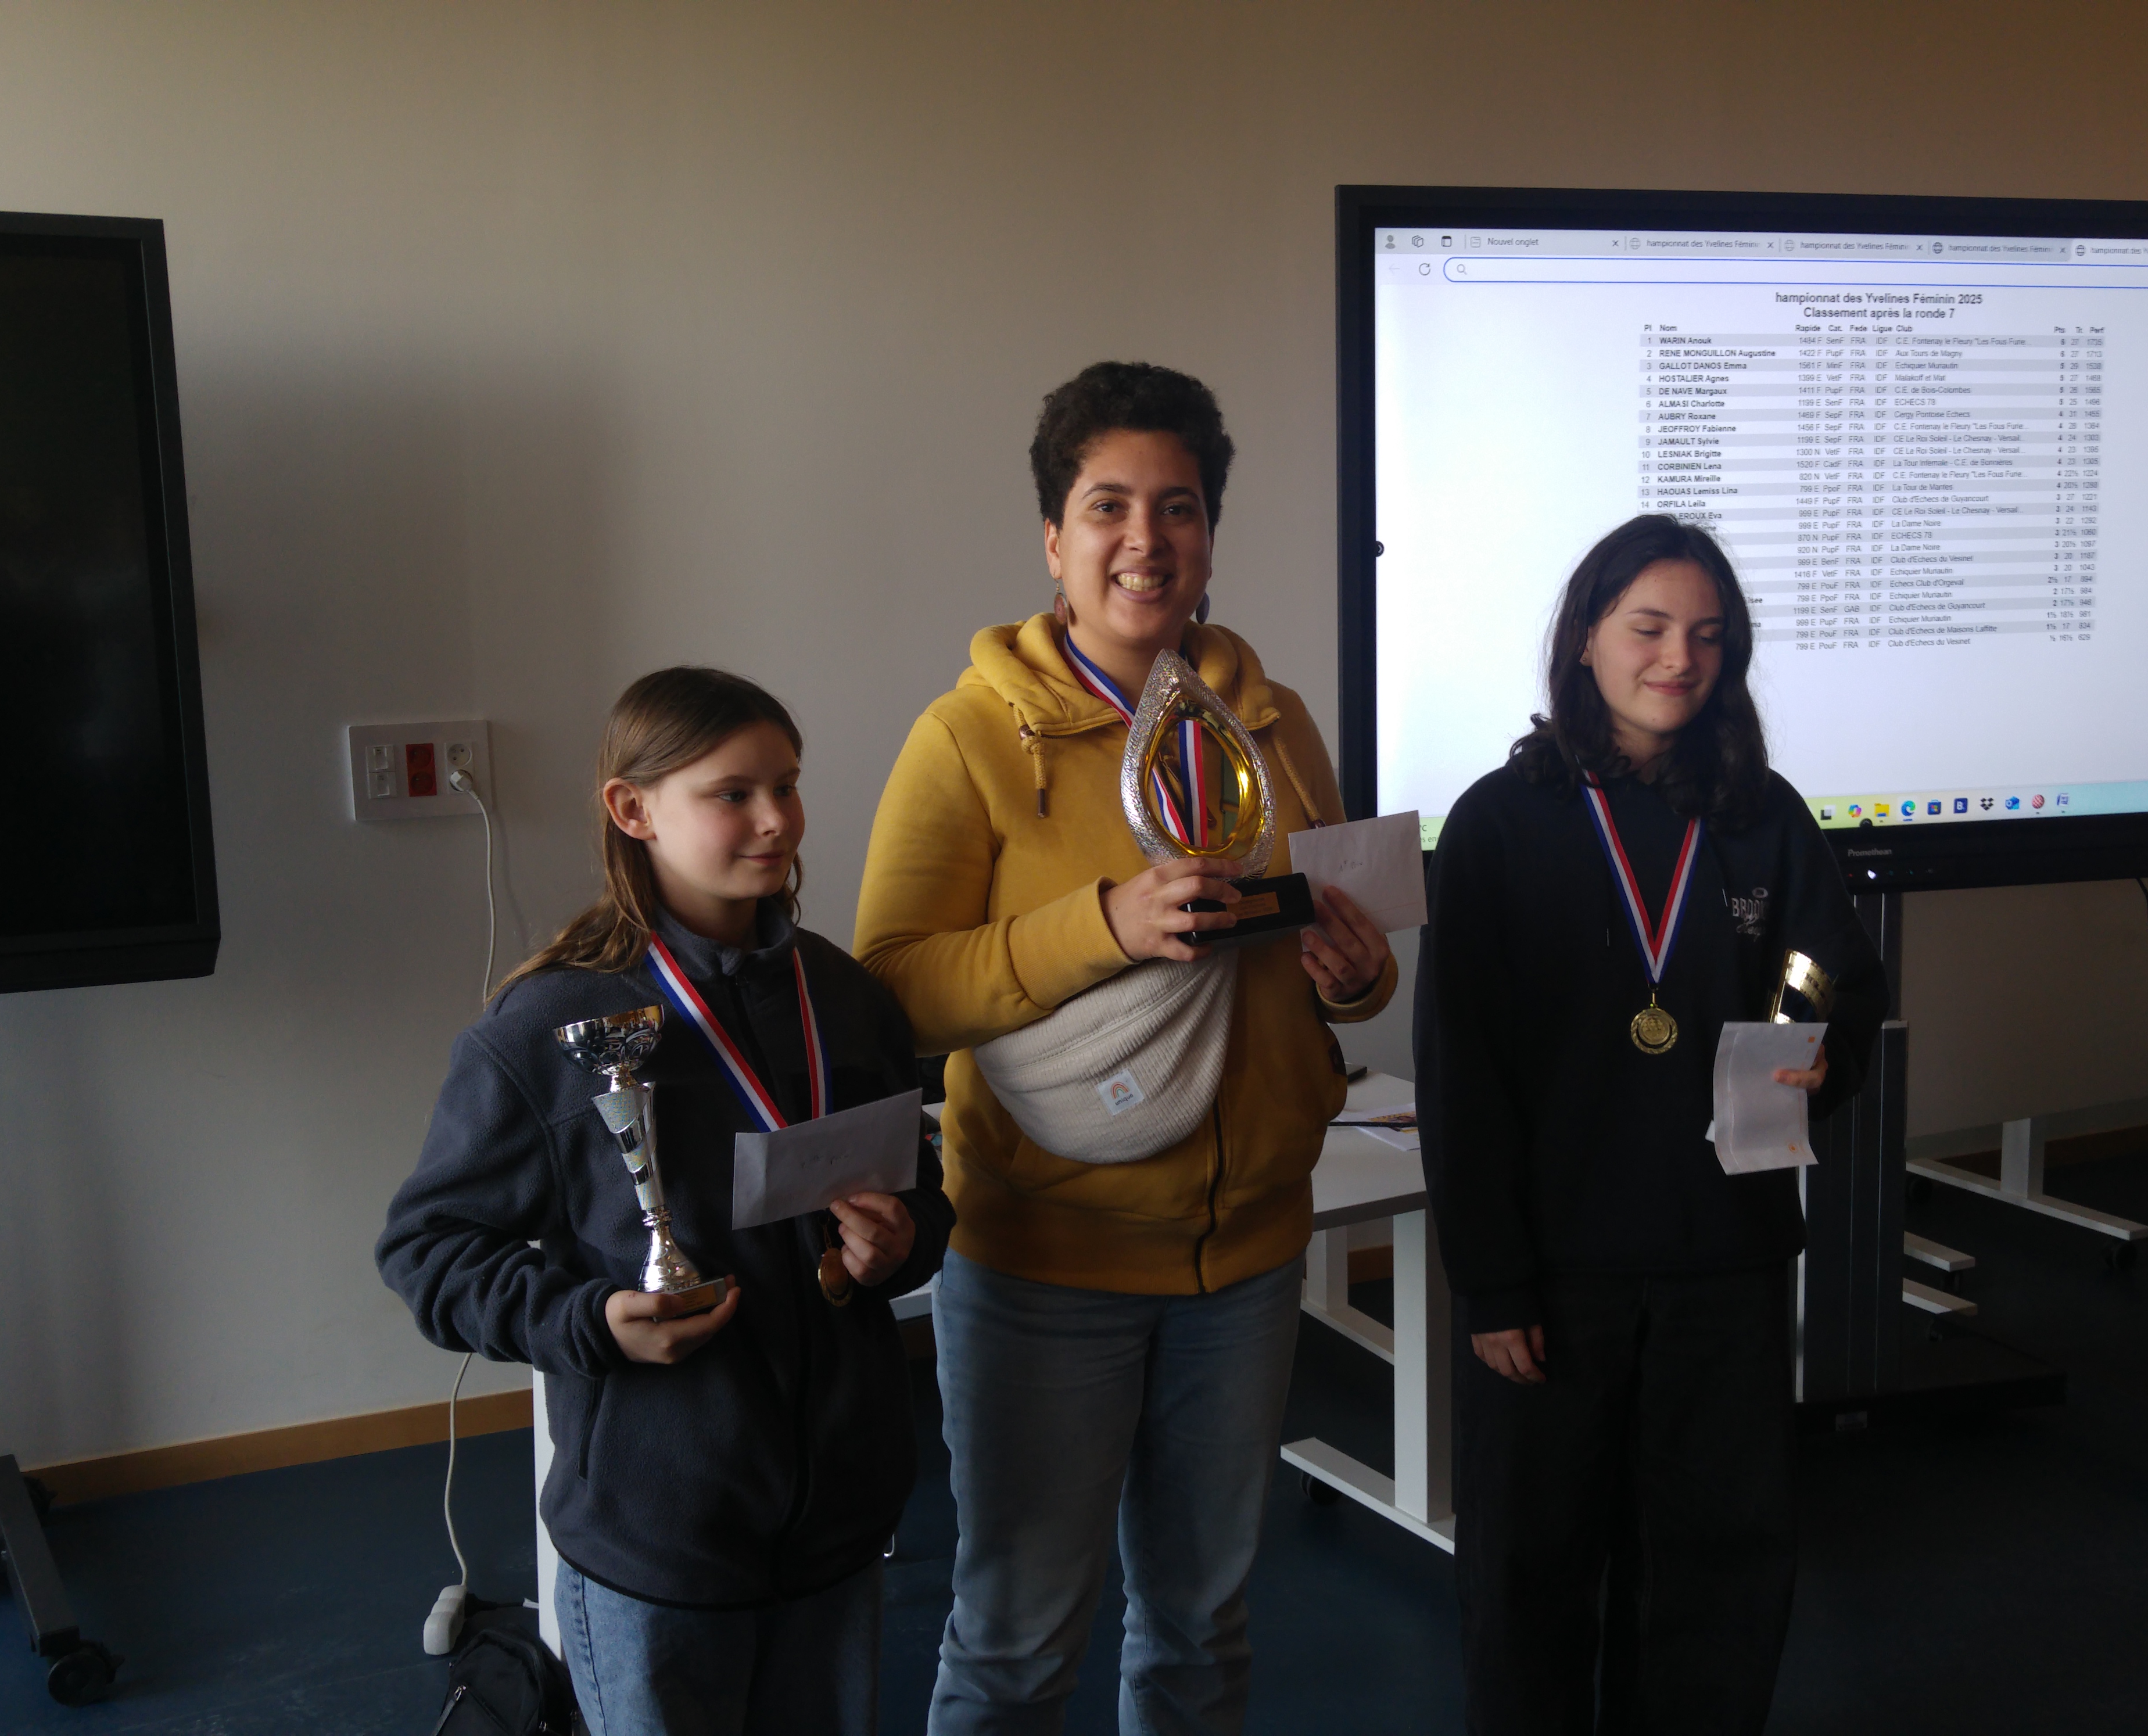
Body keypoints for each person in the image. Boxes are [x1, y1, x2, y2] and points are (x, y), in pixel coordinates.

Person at [853, 360, 1396, 1735]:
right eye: (1107, 507)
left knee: (1203, 1631)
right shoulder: (967, 740)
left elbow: (1332, 955)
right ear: (1052, 537)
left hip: (1252, 1259)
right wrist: (1101, 923)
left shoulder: (1275, 728)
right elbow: (896, 994)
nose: (1144, 540)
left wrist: (1354, 976)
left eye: (1179, 507)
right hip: (1046, 1268)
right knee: (1020, 1642)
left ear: (1211, 535)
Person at [376, 667, 952, 1736]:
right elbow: (429, 1251)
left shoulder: (849, 1000)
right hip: (658, 1546)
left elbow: (923, 1188)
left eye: (788, 784)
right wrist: (587, 1323)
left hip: (837, 1530)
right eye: (732, 794)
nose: (777, 819)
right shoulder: (544, 1030)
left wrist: (905, 1244)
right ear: (632, 811)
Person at [1415, 515, 1881, 1735]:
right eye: (1649, 628)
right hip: (1554, 1282)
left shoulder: (1761, 815)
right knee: (1531, 1577)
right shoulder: (1497, 824)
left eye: (1708, 637)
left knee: (1717, 1575)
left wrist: (1810, 1049)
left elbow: (1831, 975)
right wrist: (1493, 1281)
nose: (1679, 658)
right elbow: (1461, 1068)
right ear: (1583, 641)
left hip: (1722, 1262)